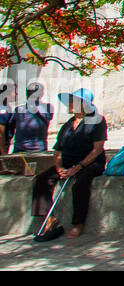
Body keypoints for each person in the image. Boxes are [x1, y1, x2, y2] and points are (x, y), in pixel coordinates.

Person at [31, 89, 107, 241]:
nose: (70, 104)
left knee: (81, 184)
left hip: (90, 162)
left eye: (74, 101)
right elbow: (57, 150)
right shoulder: (68, 125)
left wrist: (78, 167)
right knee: (41, 180)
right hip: (68, 161)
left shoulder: (97, 121)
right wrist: (59, 168)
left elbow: (97, 149)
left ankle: (78, 223)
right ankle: (49, 217)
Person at [4, 81, 54, 153]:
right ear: (42, 94)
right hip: (39, 149)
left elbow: (10, 130)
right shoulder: (49, 108)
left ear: (27, 95)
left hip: (21, 149)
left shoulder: (19, 110)